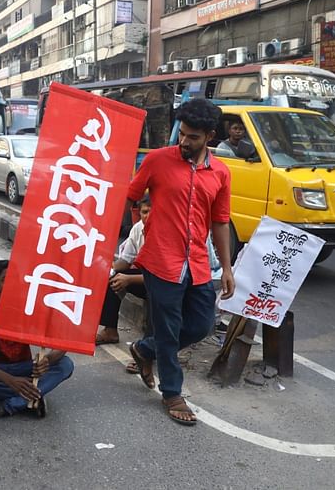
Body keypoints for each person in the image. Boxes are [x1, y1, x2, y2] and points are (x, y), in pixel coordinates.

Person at [124, 98, 235, 426]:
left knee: (201, 324)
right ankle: (172, 391)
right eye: (181, 135)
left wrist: (227, 268)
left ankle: (145, 349)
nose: (184, 142)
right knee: (169, 329)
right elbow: (128, 194)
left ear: (210, 136)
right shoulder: (157, 160)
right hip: (160, 262)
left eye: (192, 137)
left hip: (198, 263)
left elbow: (221, 221)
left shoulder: (221, 173)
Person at [0, 260, 74, 424]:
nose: (14, 283)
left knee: (65, 364)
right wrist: (10, 381)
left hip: (24, 367)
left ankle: (8, 405)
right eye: (6, 280)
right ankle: (30, 396)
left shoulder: (29, 306)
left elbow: (62, 340)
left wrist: (47, 360)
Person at [96, 195, 152, 348]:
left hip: (164, 281)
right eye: (145, 212)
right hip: (144, 276)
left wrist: (130, 279)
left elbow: (161, 277)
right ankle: (110, 330)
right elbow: (126, 260)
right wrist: (109, 268)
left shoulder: (166, 231)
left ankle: (147, 349)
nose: (148, 216)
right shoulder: (138, 229)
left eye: (152, 212)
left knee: (157, 294)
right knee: (114, 278)